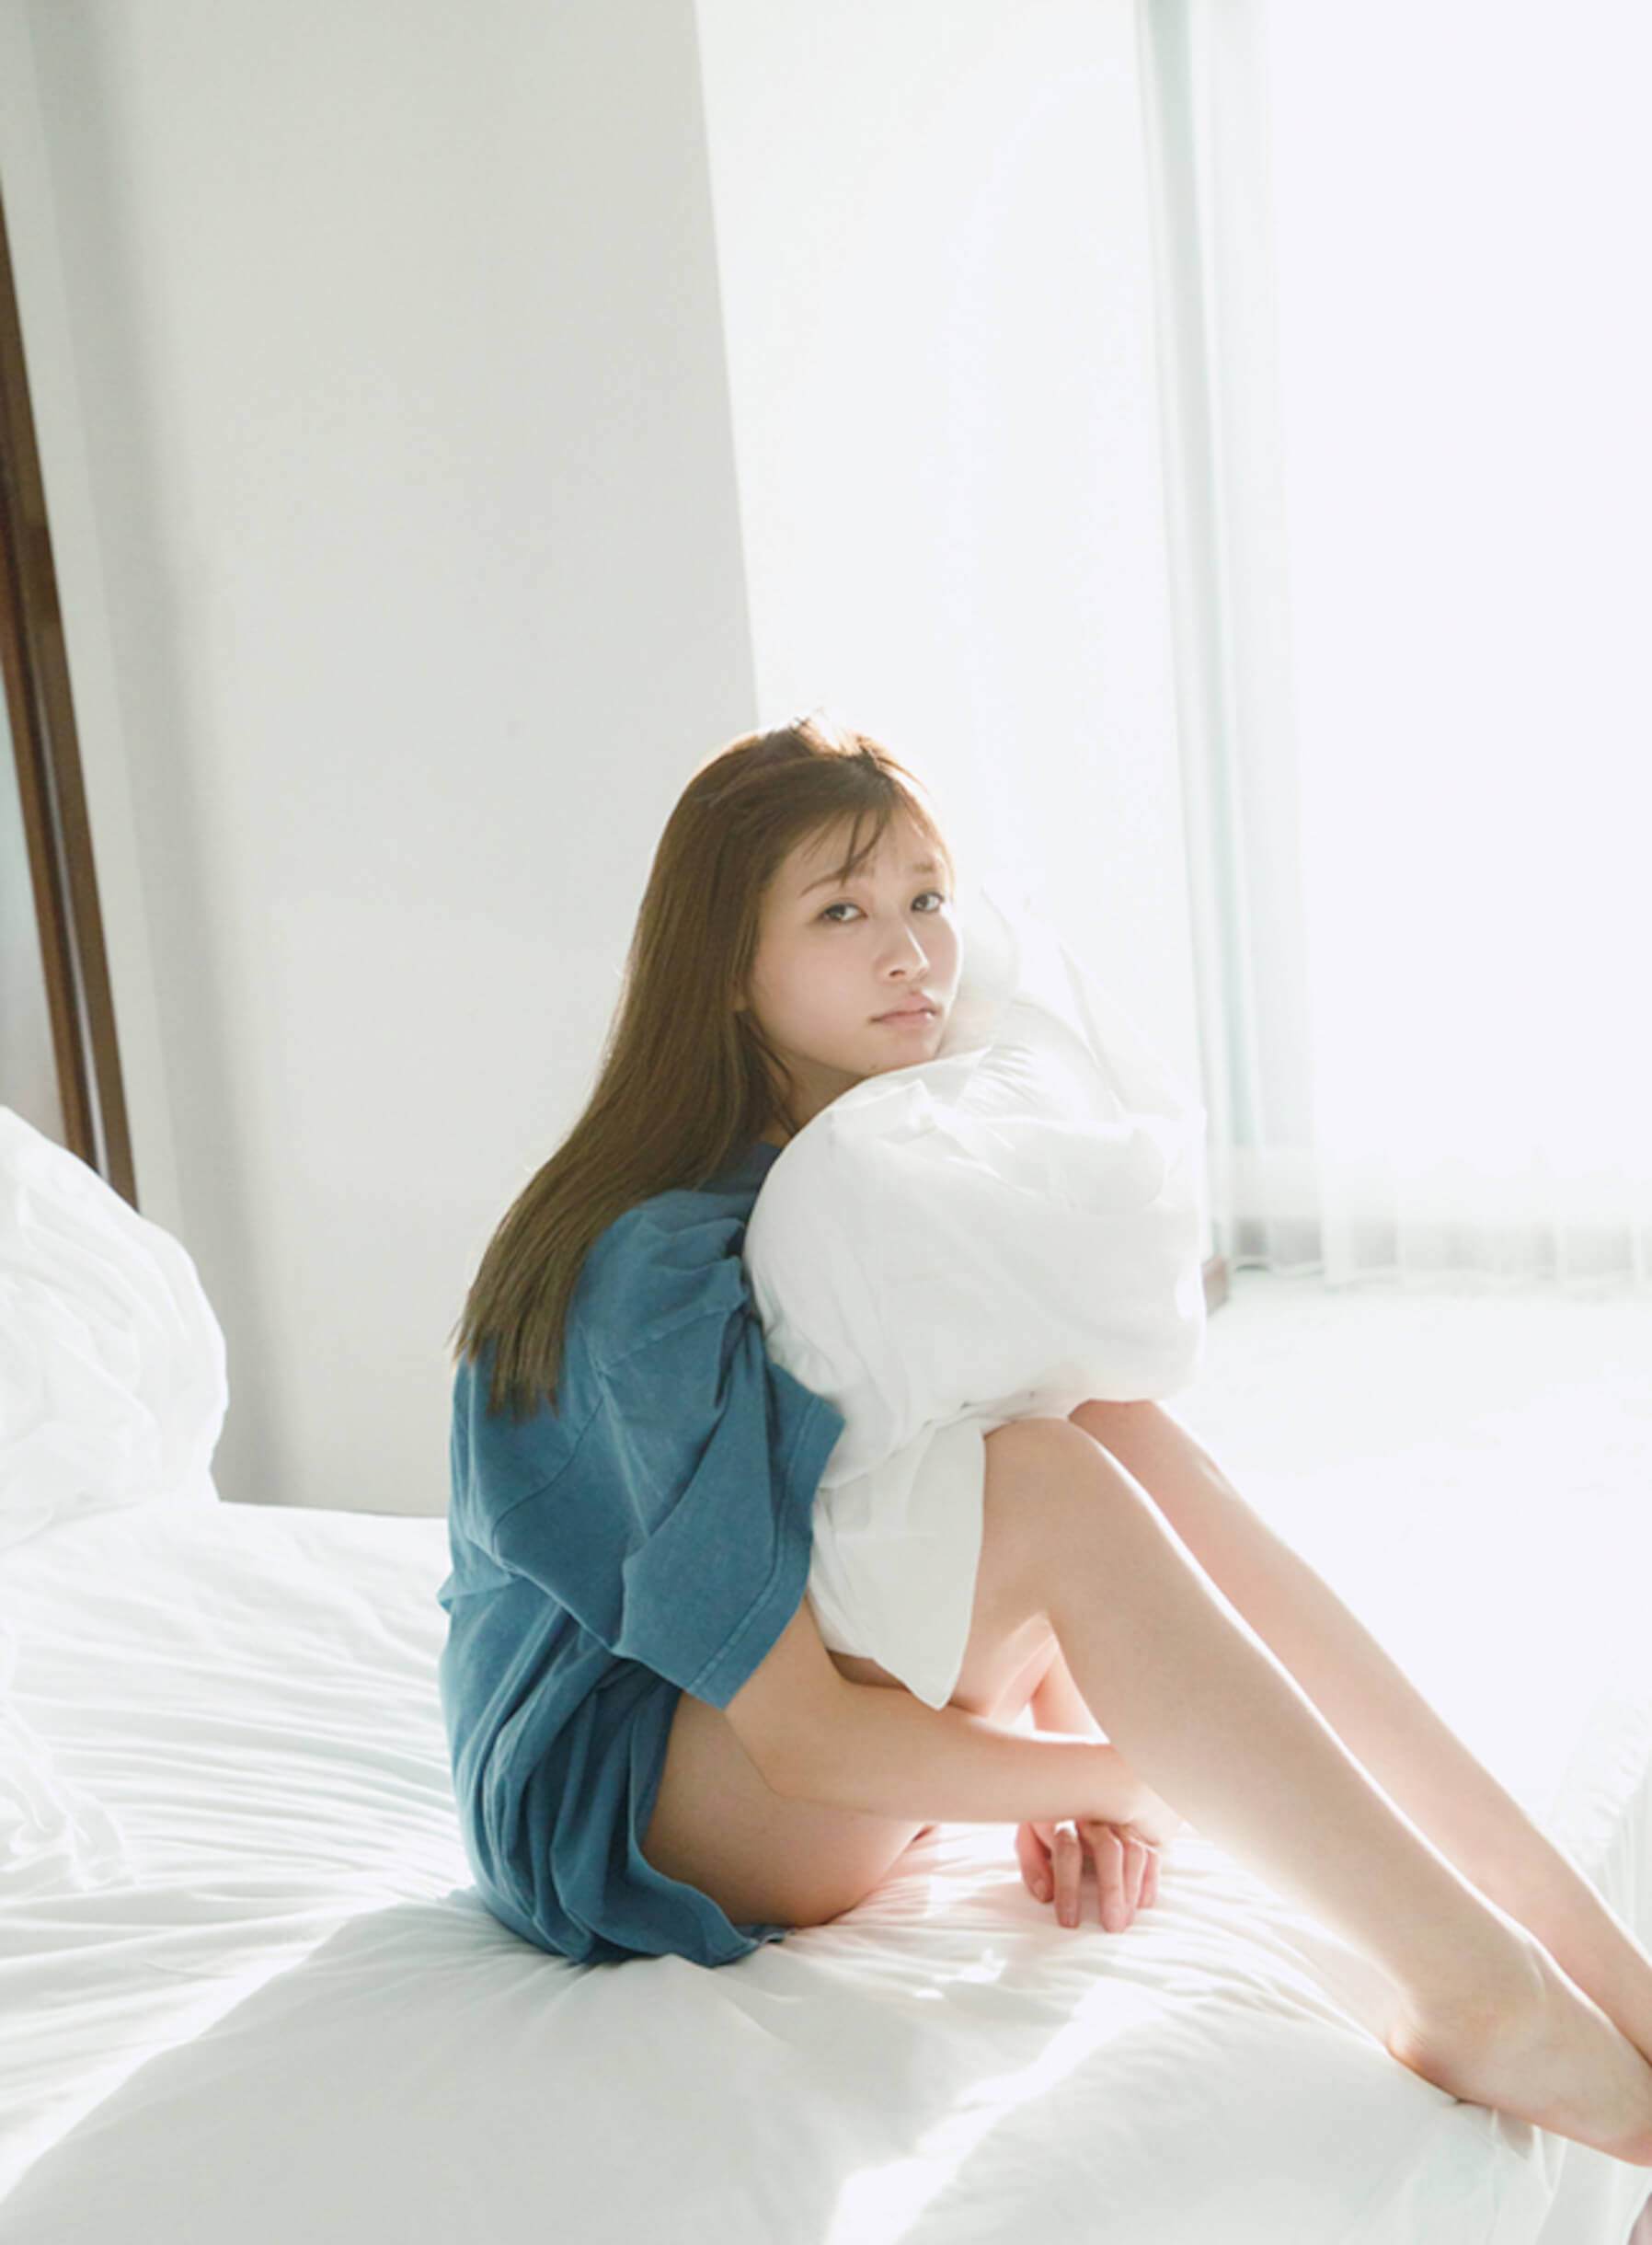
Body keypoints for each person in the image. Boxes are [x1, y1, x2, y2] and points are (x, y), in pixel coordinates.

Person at [440, 715, 1652, 2167]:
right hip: (627, 1815)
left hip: (791, 1746)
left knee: (1104, 1427)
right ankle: (1477, 1990)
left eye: (926, 898)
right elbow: (808, 1737)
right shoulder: (649, 1270)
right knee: (1049, 1479)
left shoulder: (850, 1188)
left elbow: (931, 1499)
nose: (912, 955)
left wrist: (1066, 1734)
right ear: (727, 972)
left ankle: (1585, 1951)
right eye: (841, 913)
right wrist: (1120, 1773)